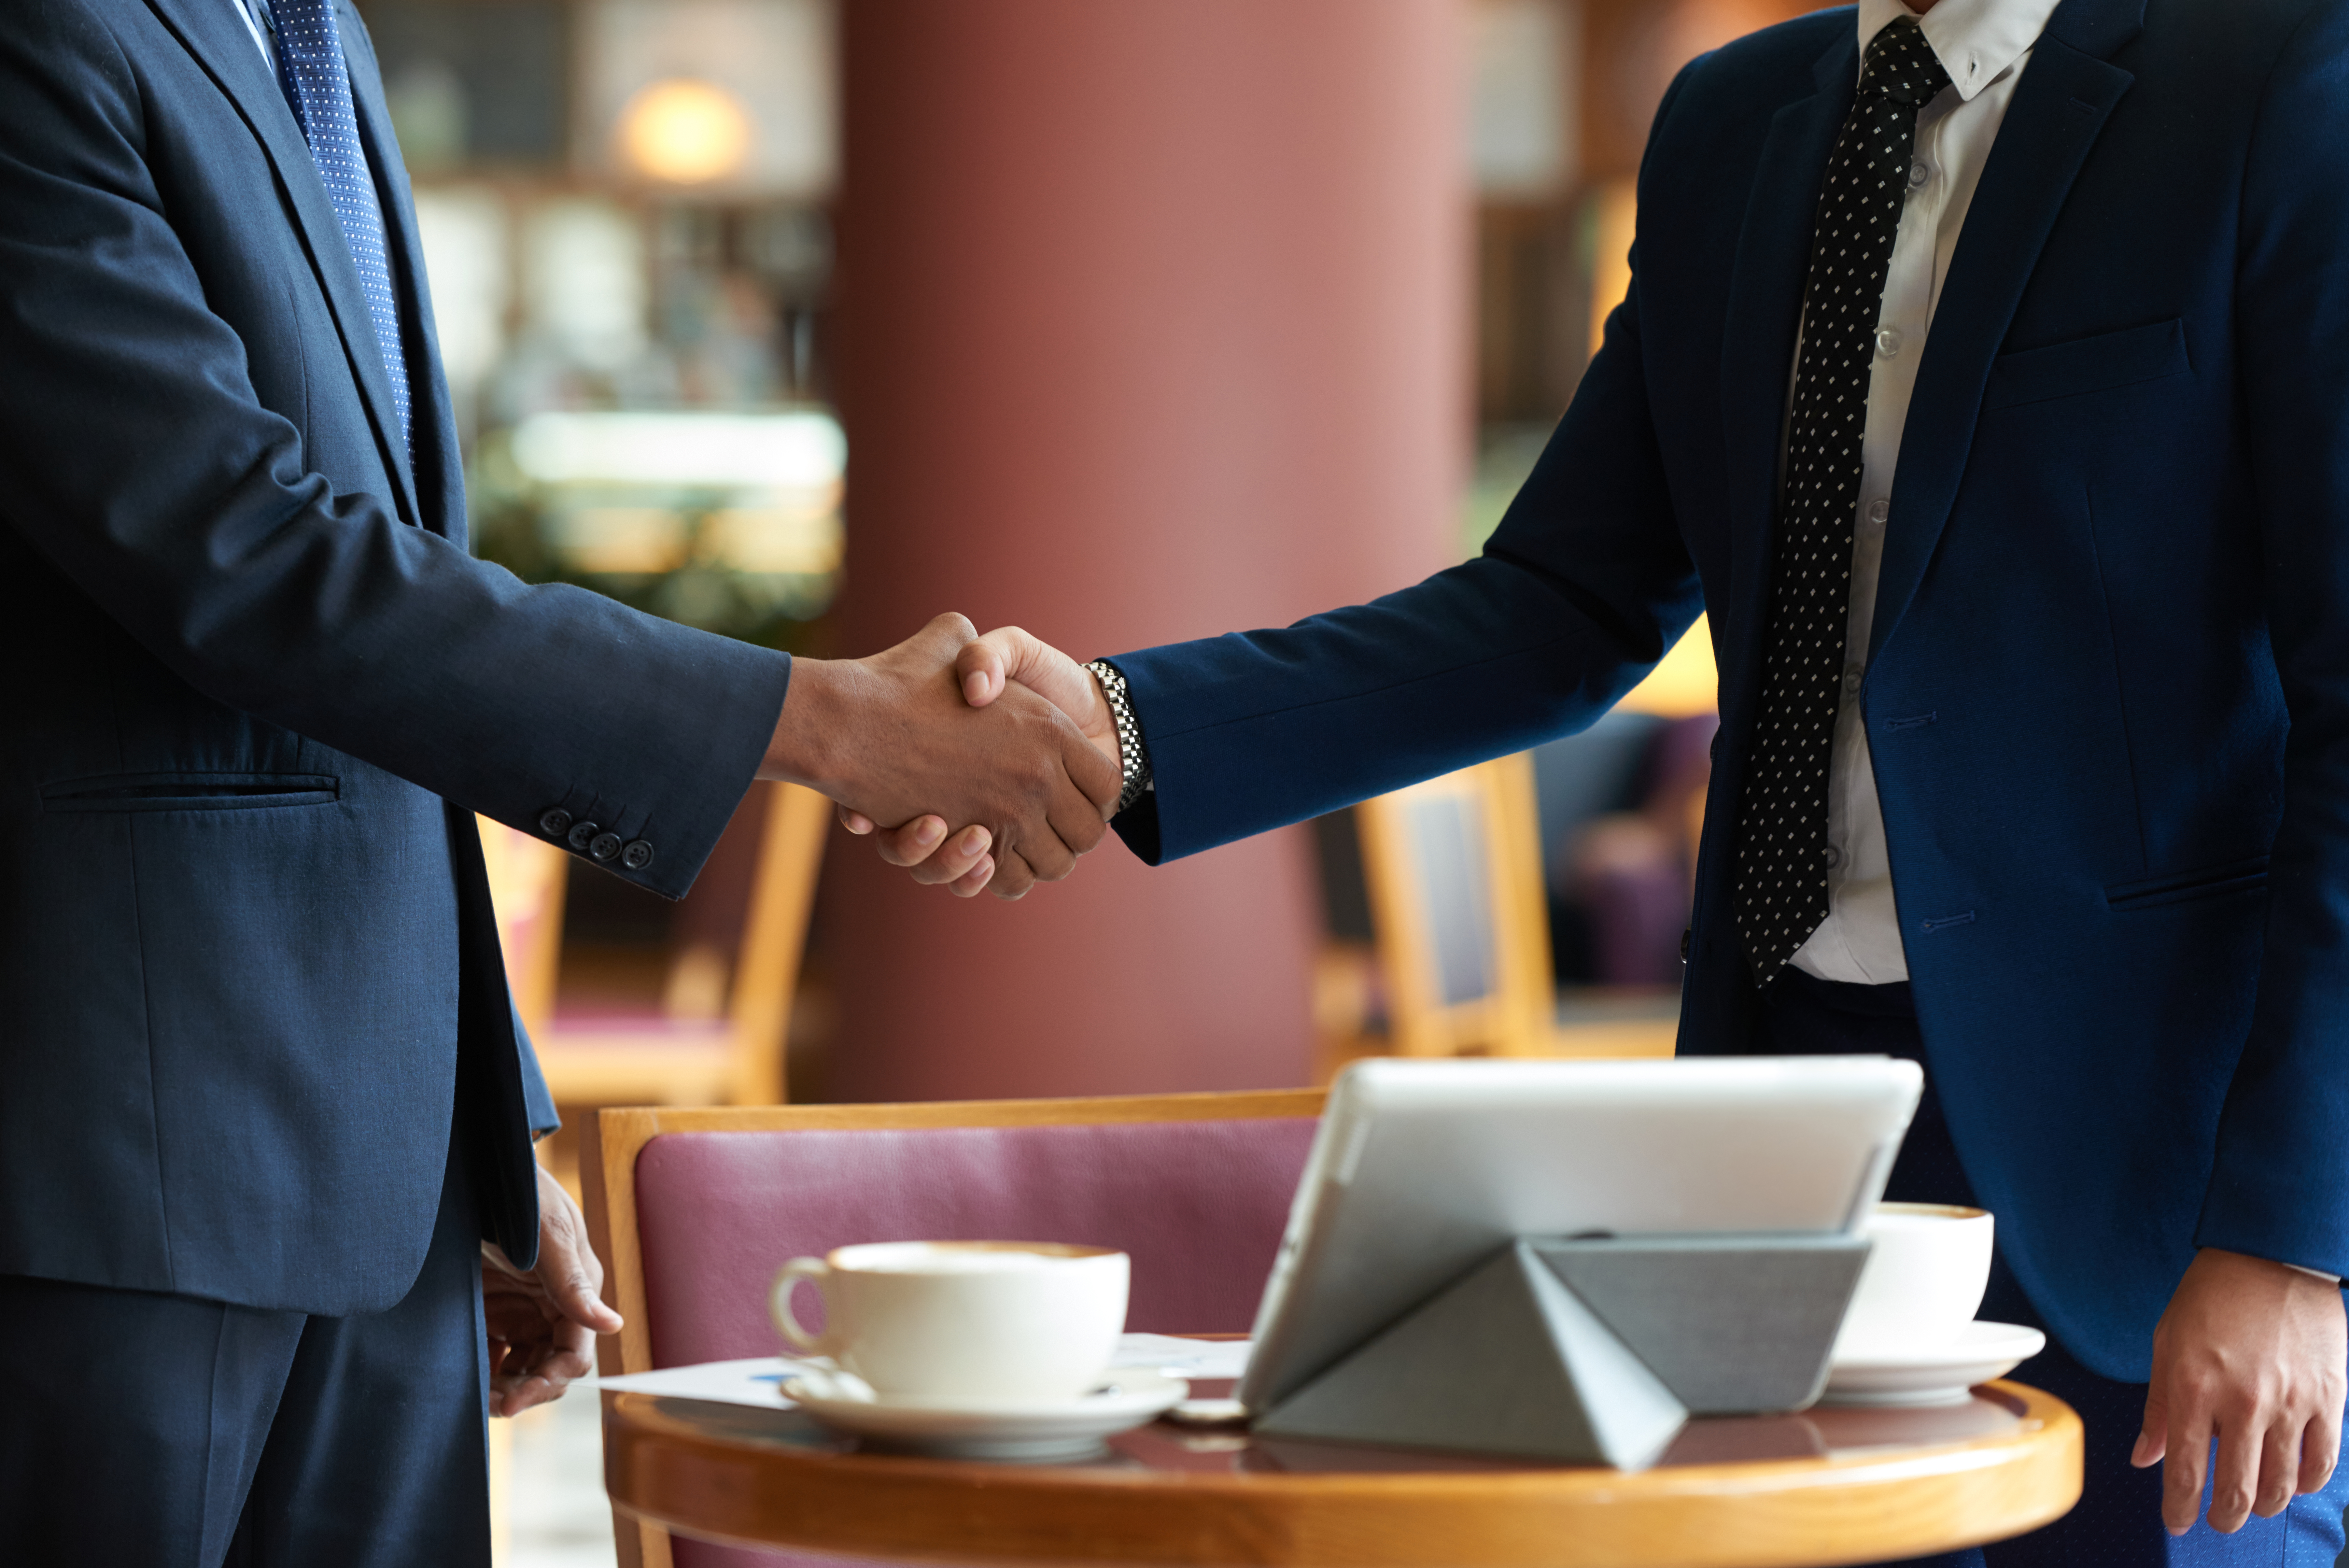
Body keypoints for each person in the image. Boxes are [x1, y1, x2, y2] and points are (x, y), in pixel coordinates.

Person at [857, 0, 2349, 1560]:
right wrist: (1120, 728)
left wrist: (2293, 1238)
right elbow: (1556, 610)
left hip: (2162, 1166)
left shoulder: (2276, 80)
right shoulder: (1735, 121)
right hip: (1787, 1126)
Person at [0, 0, 1118, 1560]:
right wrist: (814, 718)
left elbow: (376, 645)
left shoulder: (311, 39)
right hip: (128, 1170)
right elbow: (251, 563)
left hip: (374, 1176)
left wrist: (480, 1124)